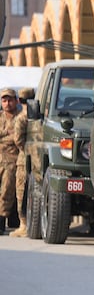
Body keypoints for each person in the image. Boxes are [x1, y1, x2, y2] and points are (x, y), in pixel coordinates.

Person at [10, 87, 34, 238]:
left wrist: (25, 149)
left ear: (19, 100)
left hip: (24, 158)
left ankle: (23, 225)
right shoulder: (40, 115)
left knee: (21, 192)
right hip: (37, 157)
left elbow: (17, 139)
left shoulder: (21, 117)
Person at [0, 88, 22, 234]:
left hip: (12, 161)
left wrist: (5, 137)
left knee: (7, 191)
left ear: (16, 101)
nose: (7, 103)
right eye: (4, 100)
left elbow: (18, 139)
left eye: (10, 100)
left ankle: (2, 220)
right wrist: (7, 133)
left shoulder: (20, 118)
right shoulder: (1, 118)